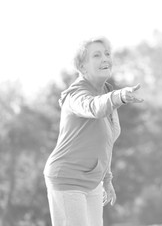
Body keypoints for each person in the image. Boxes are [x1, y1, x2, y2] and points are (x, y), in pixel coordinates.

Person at [43, 36, 143, 226]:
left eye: (107, 54)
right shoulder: (75, 95)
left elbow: (105, 142)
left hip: (92, 180)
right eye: (96, 55)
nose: (105, 58)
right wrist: (119, 96)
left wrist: (106, 179)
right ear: (82, 67)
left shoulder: (105, 92)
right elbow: (93, 107)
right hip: (67, 178)